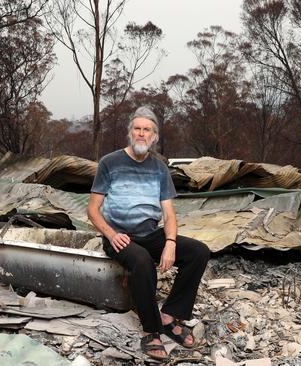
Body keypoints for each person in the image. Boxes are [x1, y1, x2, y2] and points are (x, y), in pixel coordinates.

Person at [87, 106, 210, 361]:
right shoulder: (110, 162)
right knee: (141, 260)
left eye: (147, 130)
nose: (142, 134)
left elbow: (169, 213)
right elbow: (92, 210)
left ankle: (168, 315)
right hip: (119, 236)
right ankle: (151, 329)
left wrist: (170, 243)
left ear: (154, 137)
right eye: (137, 128)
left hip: (149, 233)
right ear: (130, 133)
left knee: (199, 251)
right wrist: (110, 235)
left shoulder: (159, 168)